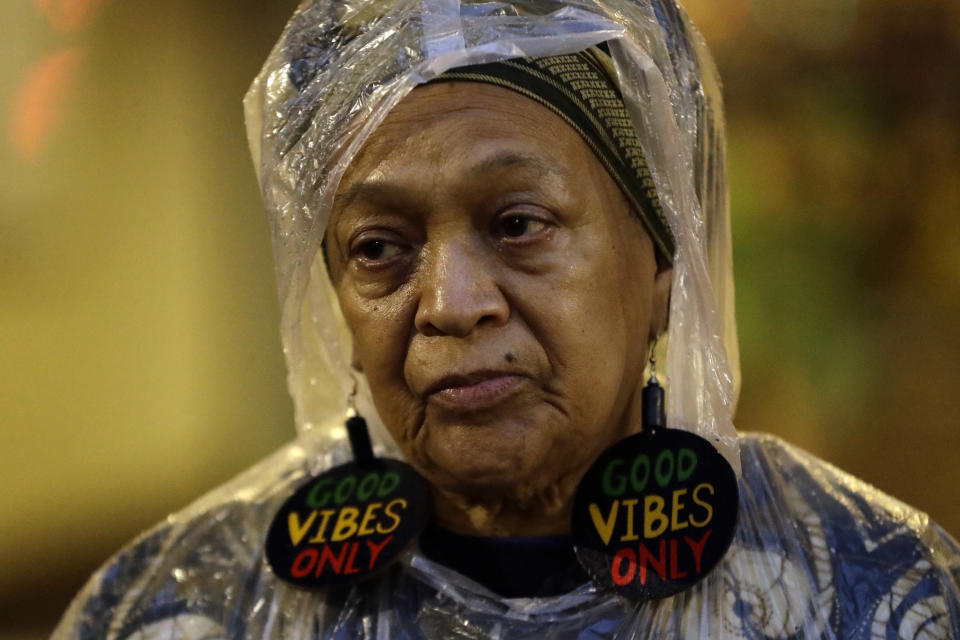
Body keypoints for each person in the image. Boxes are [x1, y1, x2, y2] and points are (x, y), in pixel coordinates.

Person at [53, 1, 960, 638]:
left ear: (661, 264)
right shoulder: (183, 607)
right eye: (378, 248)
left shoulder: (871, 590)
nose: (450, 303)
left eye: (518, 225)